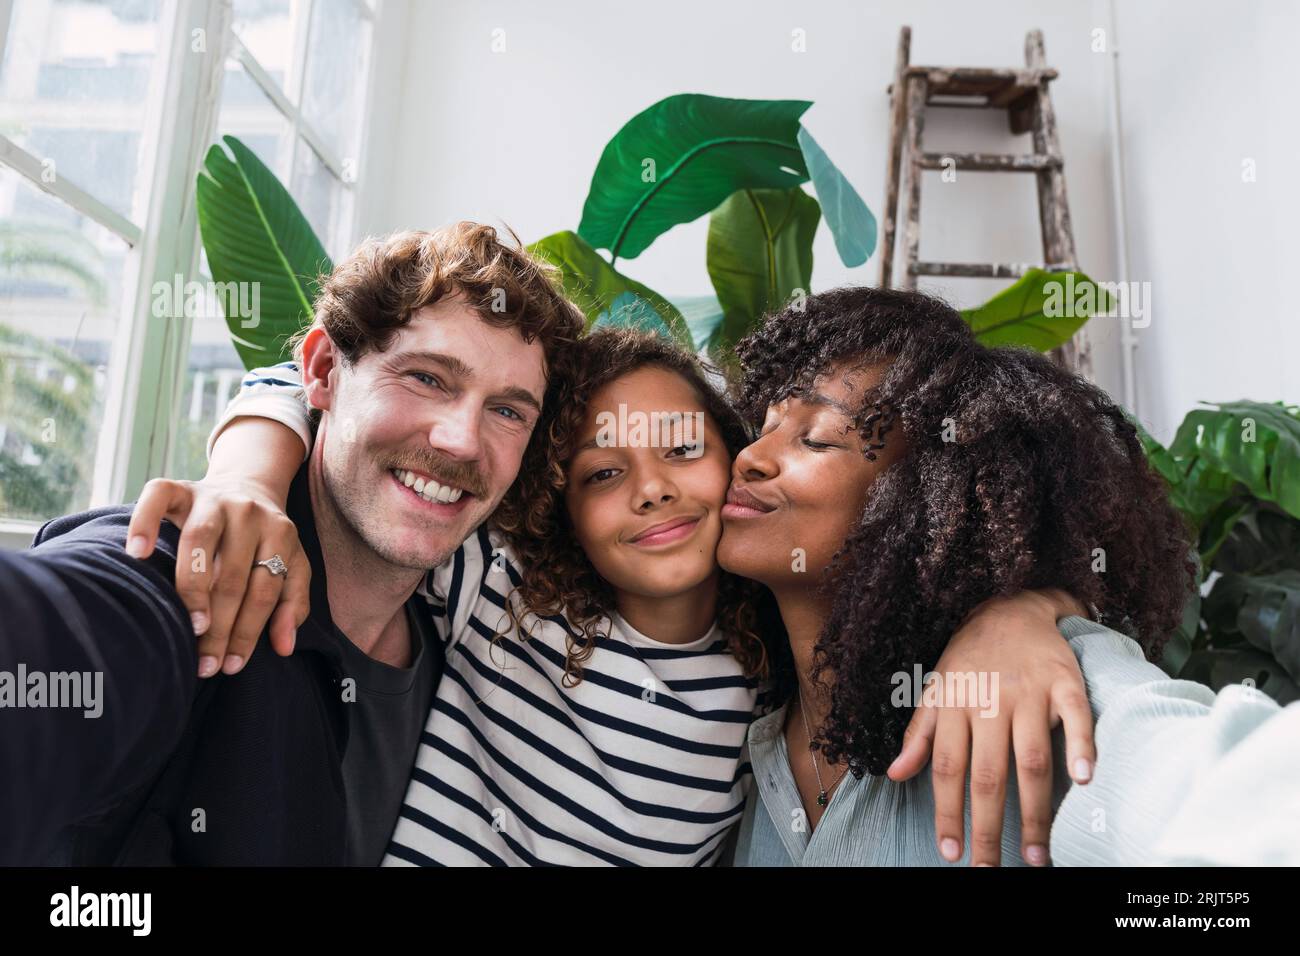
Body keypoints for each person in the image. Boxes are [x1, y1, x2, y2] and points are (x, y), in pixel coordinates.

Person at [137, 325, 1109, 867]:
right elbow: (313, 385)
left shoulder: (766, 683)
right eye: (602, 474)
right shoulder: (501, 593)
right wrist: (249, 482)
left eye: (686, 447)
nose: (649, 486)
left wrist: (1026, 607)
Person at [0, 223, 584, 865]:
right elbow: (64, 632)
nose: (462, 440)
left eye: (508, 411)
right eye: (426, 378)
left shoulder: (475, 632)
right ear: (325, 371)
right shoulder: (190, 571)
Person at [717, 286, 1295, 866]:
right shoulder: (735, 713)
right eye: (762, 428)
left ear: (931, 500)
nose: (750, 458)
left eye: (816, 437)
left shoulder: (1040, 683)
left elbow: (1247, 809)